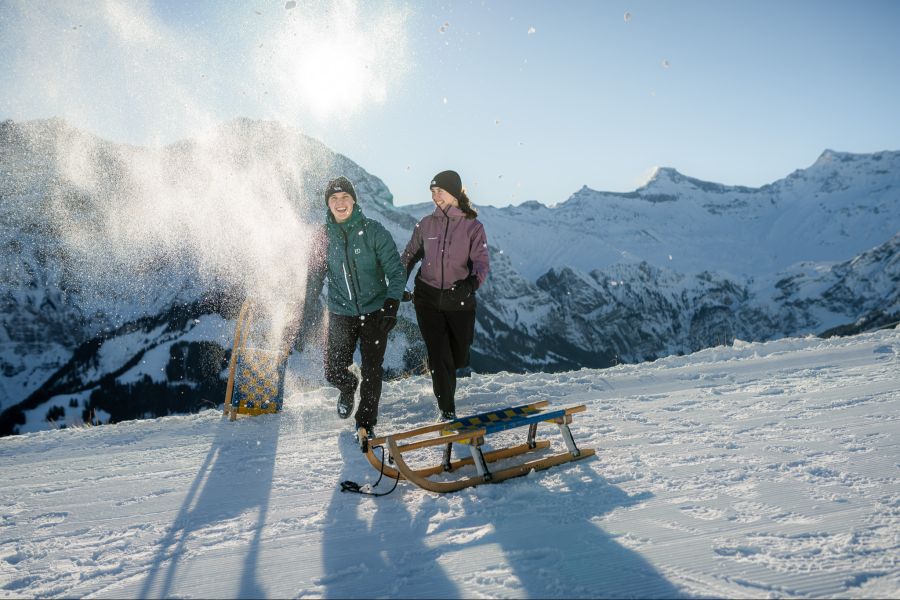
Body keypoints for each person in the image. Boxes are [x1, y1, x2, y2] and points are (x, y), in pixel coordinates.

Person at [303, 176, 405, 443]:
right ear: (328, 204)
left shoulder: (374, 231)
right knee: (333, 370)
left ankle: (365, 422)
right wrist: (307, 309)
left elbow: (396, 271)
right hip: (340, 313)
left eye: (345, 197)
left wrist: (391, 304)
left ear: (354, 201)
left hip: (375, 312)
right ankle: (348, 387)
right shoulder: (323, 238)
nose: (340, 203)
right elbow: (314, 278)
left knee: (372, 369)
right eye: (334, 198)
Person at [401, 170, 490, 421]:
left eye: (440, 191)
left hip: (458, 300)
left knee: (458, 356)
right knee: (439, 355)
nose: (435, 196)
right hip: (427, 298)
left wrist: (470, 285)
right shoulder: (426, 224)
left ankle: (447, 391)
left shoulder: (473, 227)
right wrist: (399, 284)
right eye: (432, 191)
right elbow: (408, 257)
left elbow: (481, 263)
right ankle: (447, 410)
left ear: (455, 193)